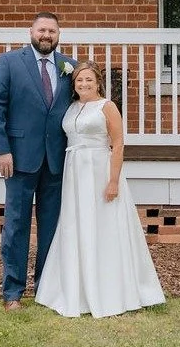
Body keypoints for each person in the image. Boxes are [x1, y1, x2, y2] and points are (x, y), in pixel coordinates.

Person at [35, 59, 165, 318]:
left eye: (89, 80)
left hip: (99, 171)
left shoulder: (107, 107)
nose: (84, 84)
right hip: (74, 171)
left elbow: (118, 144)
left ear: (98, 83)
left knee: (104, 226)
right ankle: (76, 289)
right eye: (79, 80)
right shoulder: (71, 107)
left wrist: (113, 181)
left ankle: (109, 290)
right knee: (76, 225)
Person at [0, 10, 75, 310]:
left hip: (57, 160)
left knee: (51, 228)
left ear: (58, 35)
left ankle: (45, 290)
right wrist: (1, 150)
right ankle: (12, 292)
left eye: (52, 31)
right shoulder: (10, 62)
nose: (46, 35)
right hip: (18, 158)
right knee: (16, 226)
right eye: (42, 30)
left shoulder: (70, 67)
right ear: (31, 32)